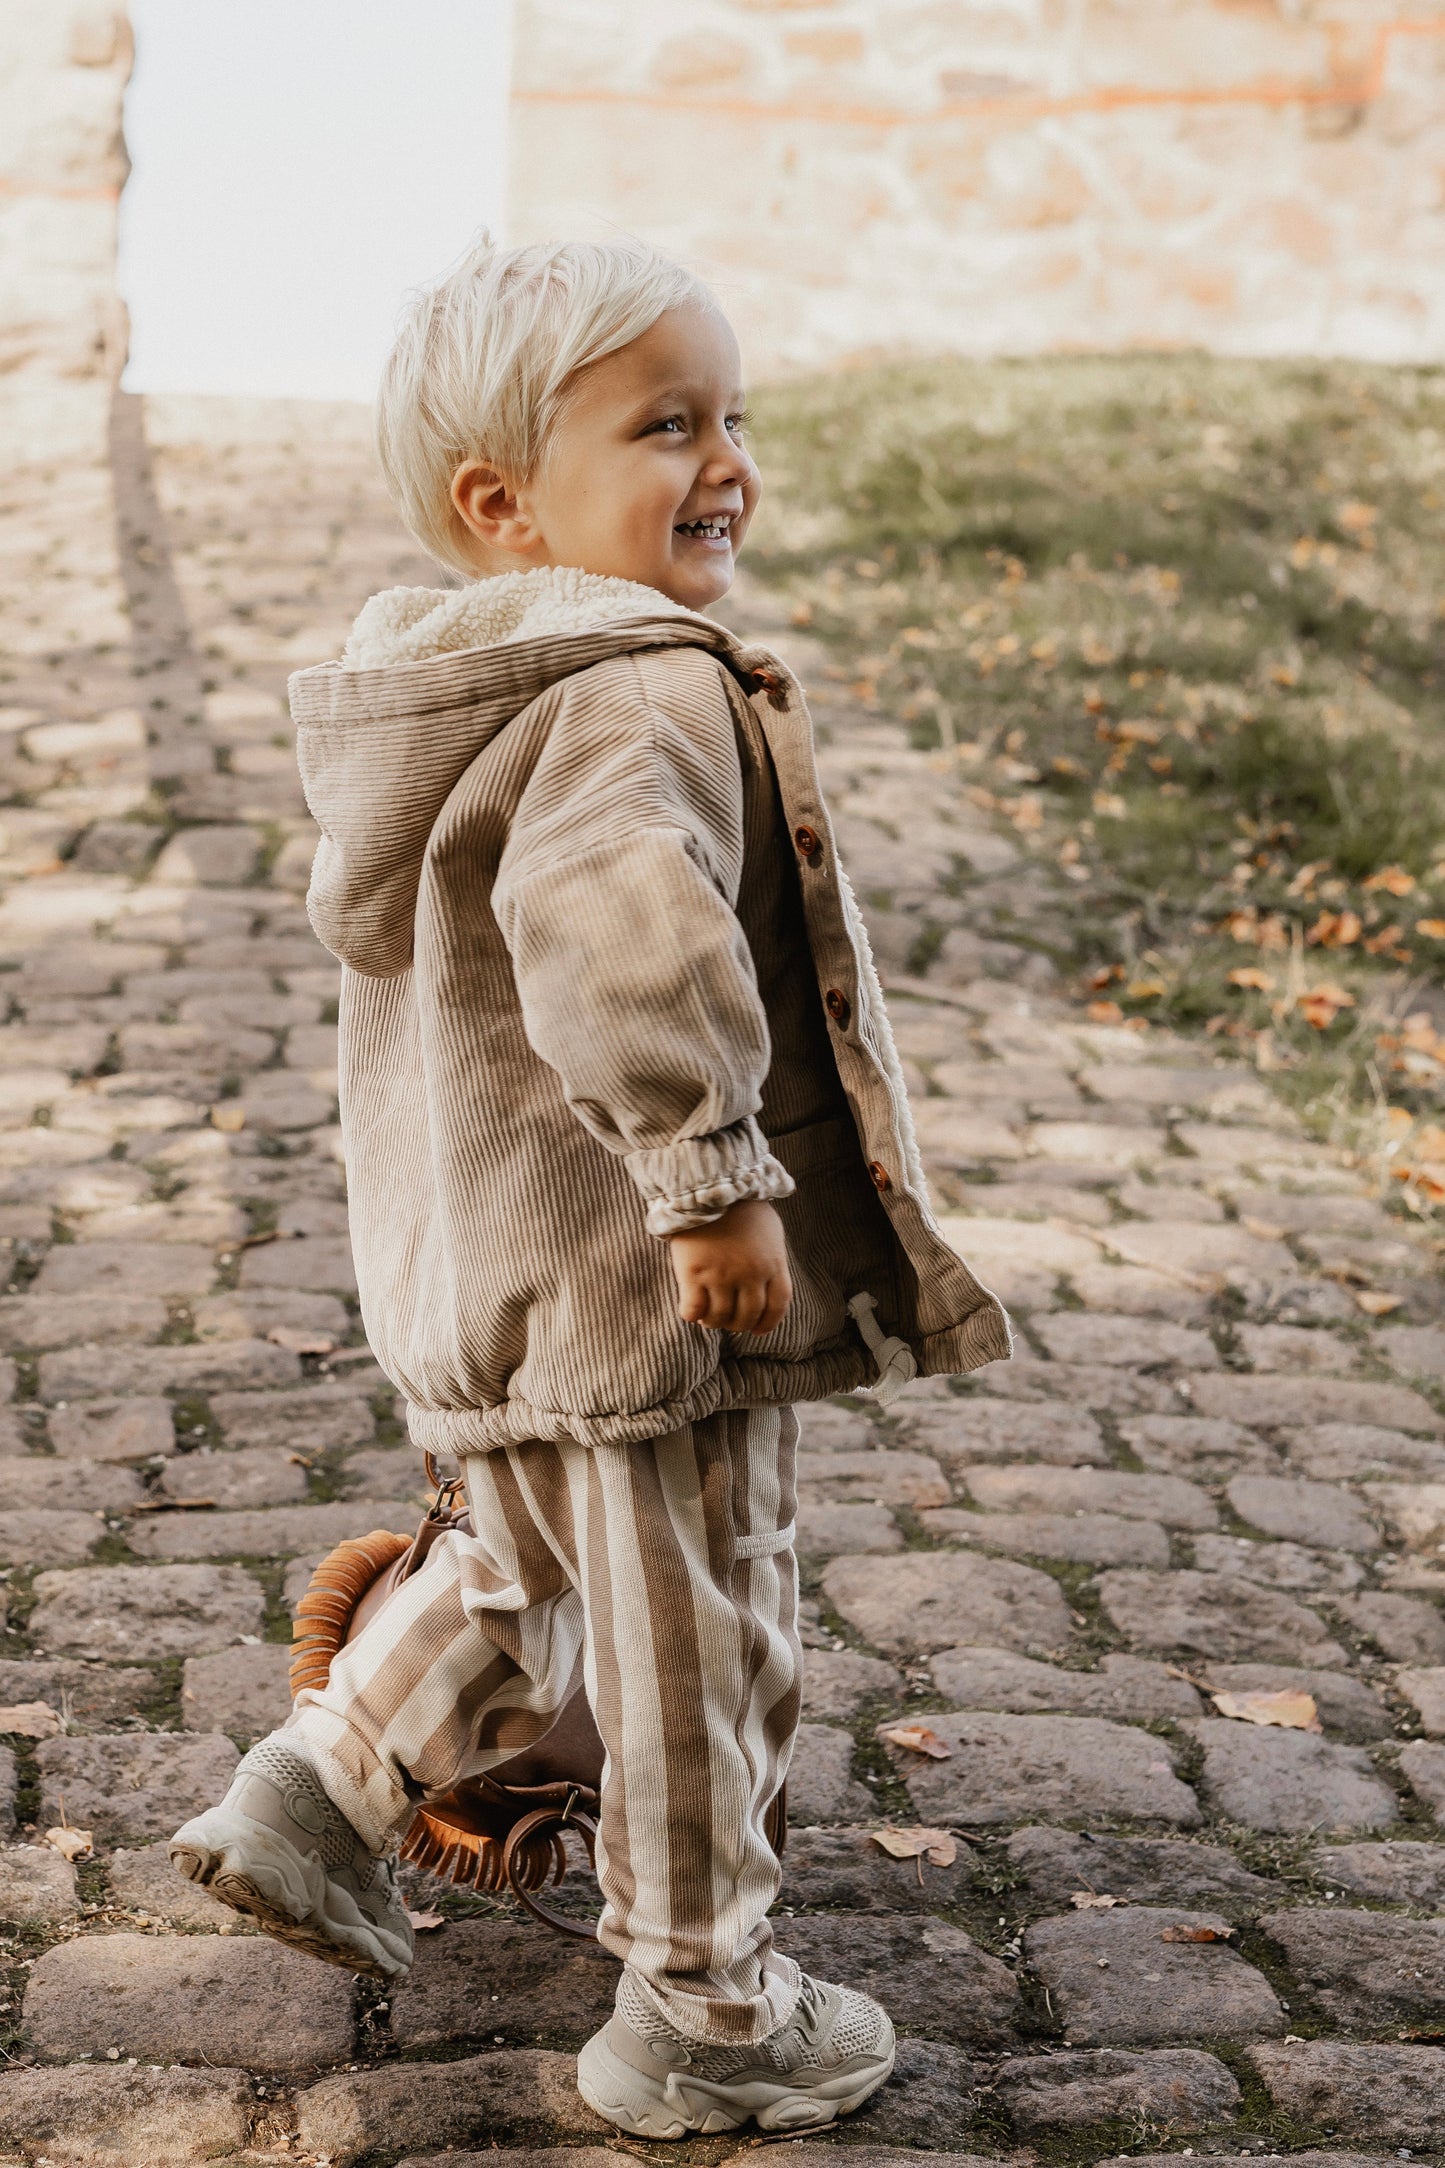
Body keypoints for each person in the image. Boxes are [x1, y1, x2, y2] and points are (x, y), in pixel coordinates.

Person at [169, 235, 1008, 2138]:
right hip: (642, 1268)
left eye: (733, 416)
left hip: (494, 1258)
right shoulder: (634, 696)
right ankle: (702, 2015)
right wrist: (711, 1185)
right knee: (703, 1621)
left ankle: (318, 1789)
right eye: (665, 424)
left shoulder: (465, 690)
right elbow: (623, 946)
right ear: (500, 499)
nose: (725, 458)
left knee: (522, 1564)